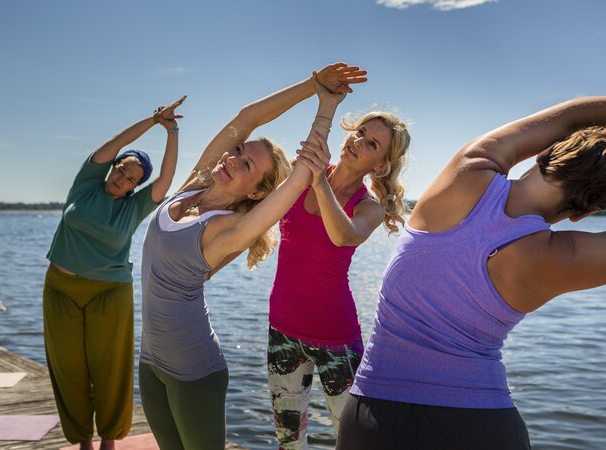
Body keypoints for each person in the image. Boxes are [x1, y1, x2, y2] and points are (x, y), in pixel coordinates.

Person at [336, 96, 606, 450]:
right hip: (479, 426)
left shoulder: (471, 170)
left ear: (543, 153)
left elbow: (575, 115)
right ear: (584, 212)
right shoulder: (561, 257)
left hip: (373, 415)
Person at [137, 63, 366, 450]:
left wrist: (326, 108)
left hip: (194, 369)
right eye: (238, 152)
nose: (232, 159)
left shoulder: (227, 230)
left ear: (258, 193)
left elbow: (299, 178)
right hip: (149, 361)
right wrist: (311, 85)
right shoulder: (194, 185)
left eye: (246, 165)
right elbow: (247, 118)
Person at [267, 89, 411, 448]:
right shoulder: (304, 177)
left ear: (379, 166)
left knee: (353, 439)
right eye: (361, 132)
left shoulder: (369, 208)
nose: (359, 141)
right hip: (282, 328)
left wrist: (318, 181)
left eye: (373, 144)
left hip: (336, 341)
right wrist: (327, 102)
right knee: (289, 440)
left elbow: (344, 236)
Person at [43, 96, 186, 450]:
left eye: (131, 178)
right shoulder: (86, 183)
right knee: (68, 368)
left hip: (110, 292)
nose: (122, 178)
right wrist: (154, 120)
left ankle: (109, 439)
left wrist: (172, 132)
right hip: (60, 288)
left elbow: (166, 179)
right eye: (121, 169)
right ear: (113, 166)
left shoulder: (135, 207)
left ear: (136, 186)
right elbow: (114, 144)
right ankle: (82, 440)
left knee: (110, 369)